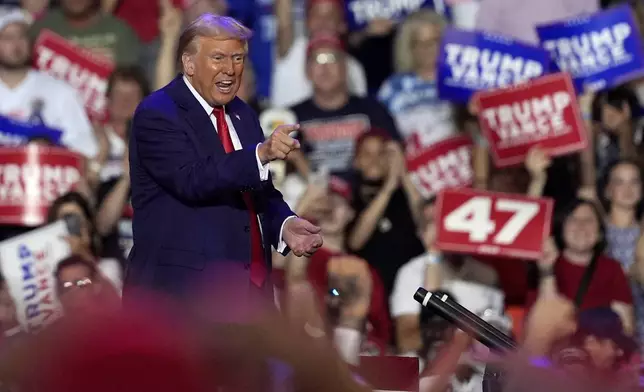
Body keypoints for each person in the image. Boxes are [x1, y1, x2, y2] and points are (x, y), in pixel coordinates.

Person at [126, 14, 322, 302]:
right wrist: (261, 153)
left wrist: (284, 224)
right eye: (218, 58)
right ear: (189, 63)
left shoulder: (243, 114)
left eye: (238, 58)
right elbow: (191, 178)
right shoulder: (158, 113)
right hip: (179, 301)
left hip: (249, 297)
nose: (230, 69)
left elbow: (256, 189)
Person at [0, 7, 97, 157]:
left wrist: (51, 149)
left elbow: (86, 149)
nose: (17, 44)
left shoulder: (60, 91)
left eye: (22, 36)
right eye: (8, 38)